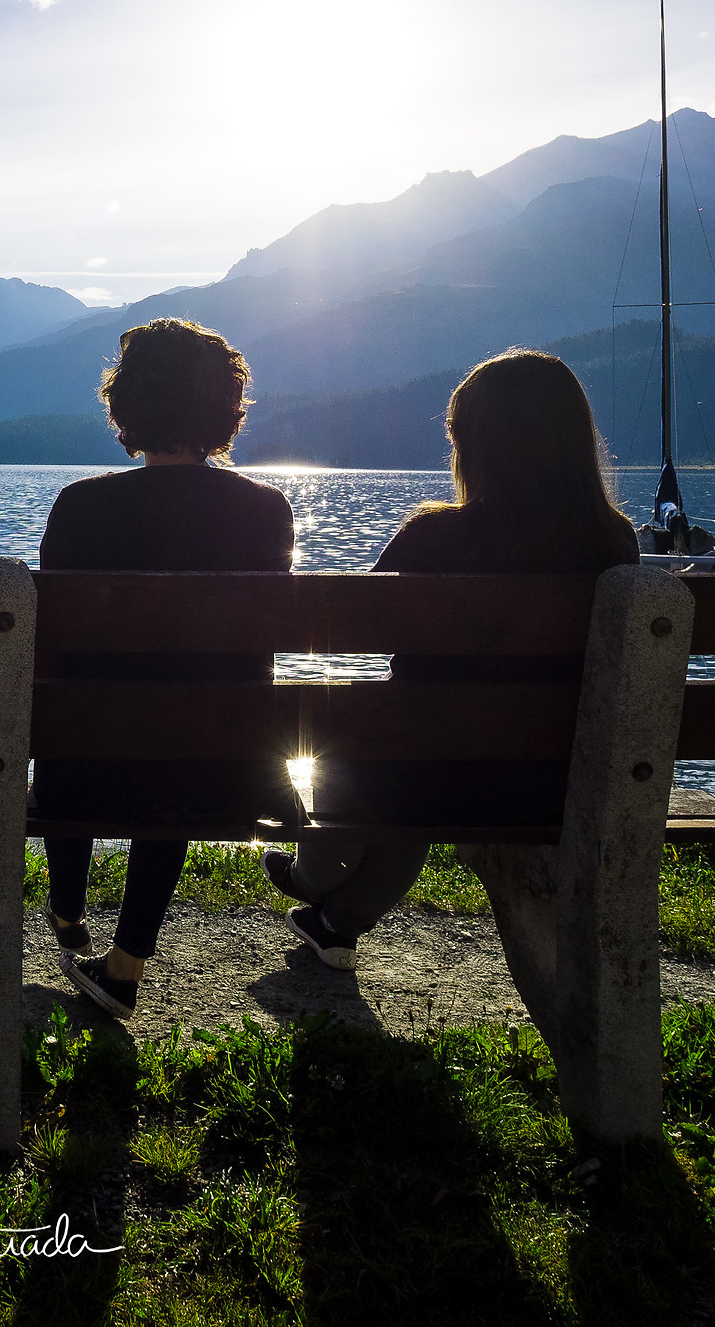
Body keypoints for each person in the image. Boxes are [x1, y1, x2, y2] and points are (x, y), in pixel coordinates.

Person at [265, 347, 641, 971]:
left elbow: (352, 628)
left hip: (423, 779)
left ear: (472, 444)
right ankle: (335, 921)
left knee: (342, 736)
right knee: (408, 753)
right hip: (549, 786)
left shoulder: (432, 535)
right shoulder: (614, 542)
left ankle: (312, 877)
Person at [39, 318, 302, 1019]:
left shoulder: (82, 506)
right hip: (216, 775)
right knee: (186, 729)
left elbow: (52, 655)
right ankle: (125, 964)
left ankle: (67, 912)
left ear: (126, 406)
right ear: (227, 409)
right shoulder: (265, 510)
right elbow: (256, 659)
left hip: (83, 772)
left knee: (76, 715)